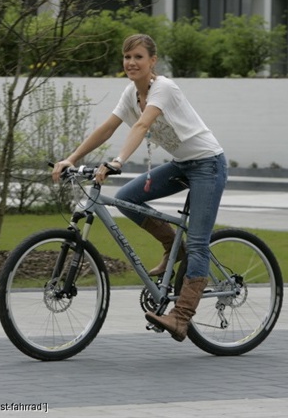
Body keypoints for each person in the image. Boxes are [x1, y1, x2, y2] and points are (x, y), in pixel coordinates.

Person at [52, 34, 228, 342]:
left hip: (208, 165)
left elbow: (142, 126)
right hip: (183, 165)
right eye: (126, 57)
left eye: (138, 57)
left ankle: (181, 317)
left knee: (200, 243)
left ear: (152, 61)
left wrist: (117, 161)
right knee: (126, 198)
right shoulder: (130, 93)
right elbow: (107, 127)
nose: (131, 63)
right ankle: (175, 248)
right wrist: (71, 158)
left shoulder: (164, 88)